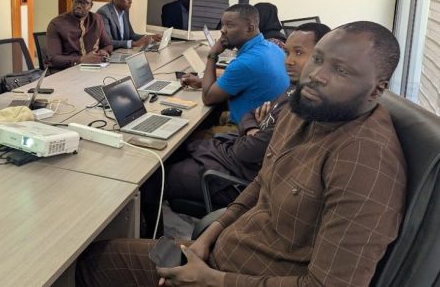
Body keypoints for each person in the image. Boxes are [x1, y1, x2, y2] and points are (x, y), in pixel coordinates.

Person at [76, 21, 406, 287]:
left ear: (377, 89)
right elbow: (262, 183)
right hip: (221, 253)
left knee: (91, 266)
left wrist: (211, 279)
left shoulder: (364, 163)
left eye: (341, 71)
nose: (316, 76)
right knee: (94, 256)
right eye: (318, 59)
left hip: (233, 276)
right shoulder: (303, 111)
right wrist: (207, 238)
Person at [141, 23, 331, 234]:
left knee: (155, 176)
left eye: (299, 53)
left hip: (238, 179)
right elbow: (251, 113)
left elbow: (245, 152)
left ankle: (151, 237)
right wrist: (252, 129)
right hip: (241, 157)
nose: (289, 61)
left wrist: (252, 131)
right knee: (181, 148)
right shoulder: (295, 88)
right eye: (287, 52)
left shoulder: (300, 106)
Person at [181, 4, 289, 124]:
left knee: (191, 129)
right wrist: (201, 82)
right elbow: (246, 80)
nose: (223, 30)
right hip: (271, 123)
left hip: (248, 130)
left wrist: (212, 55)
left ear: (249, 29)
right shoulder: (273, 48)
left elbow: (207, 98)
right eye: (223, 24)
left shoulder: (245, 63)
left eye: (229, 25)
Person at [45, 0, 113, 70]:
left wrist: (104, 51)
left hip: (92, 68)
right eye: (76, 1)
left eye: (84, 3)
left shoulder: (96, 19)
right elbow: (53, 58)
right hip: (65, 71)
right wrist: (81, 60)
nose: (78, 6)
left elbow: (108, 45)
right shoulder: (57, 24)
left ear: (91, 5)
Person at [96, 0, 161, 50]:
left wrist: (149, 37)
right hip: (109, 52)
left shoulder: (125, 11)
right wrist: (133, 43)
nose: (130, 2)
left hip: (122, 51)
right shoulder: (104, 13)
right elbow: (107, 42)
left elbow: (131, 35)